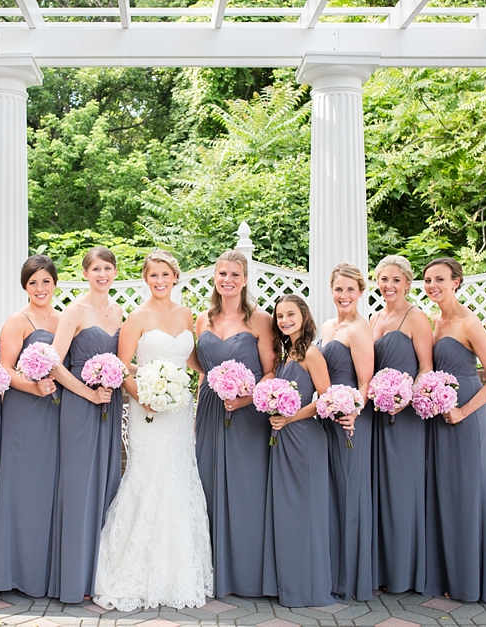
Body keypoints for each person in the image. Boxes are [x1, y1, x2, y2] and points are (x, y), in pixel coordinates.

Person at [93, 250, 213, 611]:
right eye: (152, 275)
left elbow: (189, 358)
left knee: (180, 478)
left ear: (175, 277)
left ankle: (179, 572)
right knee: (148, 478)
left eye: (165, 274)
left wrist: (215, 372)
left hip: (178, 412)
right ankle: (132, 572)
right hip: (148, 412)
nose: (159, 280)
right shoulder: (136, 318)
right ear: (145, 279)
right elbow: (122, 365)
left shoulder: (186, 314)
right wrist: (143, 396)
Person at [422, 257, 486, 603]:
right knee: (446, 496)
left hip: (466, 418)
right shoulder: (435, 321)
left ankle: (475, 581)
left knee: (469, 497)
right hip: (441, 418)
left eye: (440, 279)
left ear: (456, 281)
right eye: (428, 280)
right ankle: (450, 575)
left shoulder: (468, 323)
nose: (432, 286)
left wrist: (464, 411)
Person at [194, 249, 276, 598]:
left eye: (234, 275)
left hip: (248, 412)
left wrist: (247, 396)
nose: (227, 280)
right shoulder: (202, 319)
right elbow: (200, 369)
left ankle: (247, 574)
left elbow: (272, 370)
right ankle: (214, 572)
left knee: (247, 488)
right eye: (221, 274)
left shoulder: (260, 319)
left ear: (244, 280)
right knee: (208, 484)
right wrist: (199, 412)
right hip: (213, 410)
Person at [47, 247, 121, 604]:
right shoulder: (74, 311)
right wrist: (88, 395)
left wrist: (156, 375)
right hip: (80, 405)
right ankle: (72, 579)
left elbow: (122, 363)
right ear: (85, 273)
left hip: (110, 404)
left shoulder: (119, 312)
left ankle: (98, 575)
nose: (102, 274)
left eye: (107, 268)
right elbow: (54, 364)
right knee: (79, 488)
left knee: (105, 483)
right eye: (96, 269)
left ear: (115, 272)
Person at [0, 255, 62, 597]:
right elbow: (6, 369)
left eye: (45, 281)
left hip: (53, 412)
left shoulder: (62, 321)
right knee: (22, 487)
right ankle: (14, 572)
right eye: (33, 282)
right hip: (24, 411)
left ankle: (43, 569)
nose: (40, 288)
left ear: (55, 283)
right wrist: (33, 386)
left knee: (47, 488)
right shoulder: (17, 321)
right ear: (25, 286)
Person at [262, 295, 337, 608]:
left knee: (306, 515)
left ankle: (309, 589)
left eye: (290, 314)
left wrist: (290, 417)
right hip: (283, 441)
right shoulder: (287, 354)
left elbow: (326, 398)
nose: (284, 320)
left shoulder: (311, 353)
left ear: (304, 316)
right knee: (289, 515)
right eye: (280, 316)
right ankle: (289, 585)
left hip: (305, 440)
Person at [369, 255, 433, 594]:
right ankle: (383, 569)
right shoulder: (374, 318)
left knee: (403, 490)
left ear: (408, 283)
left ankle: (406, 572)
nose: (388, 286)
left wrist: (406, 395)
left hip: (405, 417)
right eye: (383, 279)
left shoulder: (416, 317)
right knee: (381, 490)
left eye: (395, 280)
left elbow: (426, 367)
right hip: (377, 415)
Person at [319, 262, 374, 602]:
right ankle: (331, 570)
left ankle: (352, 578)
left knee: (350, 493)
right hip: (327, 416)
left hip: (349, 420)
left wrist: (354, 411)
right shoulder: (327, 327)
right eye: (339, 289)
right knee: (331, 494)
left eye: (350, 290)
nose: (343, 295)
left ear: (360, 292)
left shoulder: (359, 328)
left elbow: (365, 382)